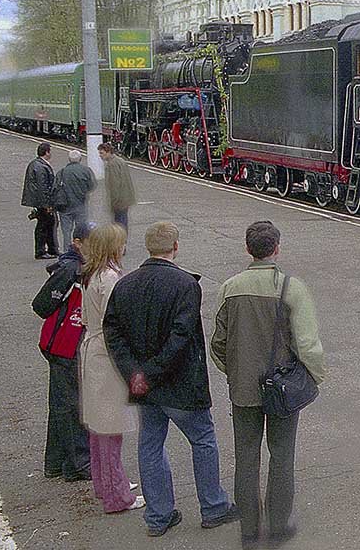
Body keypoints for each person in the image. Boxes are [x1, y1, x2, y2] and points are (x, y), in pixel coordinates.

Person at [102, 221, 238, 537]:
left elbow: (113, 333)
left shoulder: (125, 285)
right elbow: (180, 336)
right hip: (181, 383)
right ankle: (213, 506)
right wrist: (151, 371)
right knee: (202, 440)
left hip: (144, 387)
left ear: (148, 248)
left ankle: (159, 516)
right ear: (175, 247)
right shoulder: (186, 286)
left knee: (150, 445)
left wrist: (135, 373)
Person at [210, 221, 326, 547]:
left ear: (248, 249)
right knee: (282, 456)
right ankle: (277, 528)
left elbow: (219, 343)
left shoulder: (230, 288)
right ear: (277, 248)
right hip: (284, 390)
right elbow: (307, 344)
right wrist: (315, 376)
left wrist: (234, 371)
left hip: (243, 387)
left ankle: (249, 531)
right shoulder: (293, 289)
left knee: (246, 458)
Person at [78, 224, 144, 514]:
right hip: (107, 355)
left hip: (92, 349)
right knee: (112, 425)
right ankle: (117, 494)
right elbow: (117, 320)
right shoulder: (110, 279)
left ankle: (105, 483)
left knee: (99, 426)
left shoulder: (91, 274)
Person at [31, 221, 92, 482]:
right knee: (70, 406)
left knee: (60, 405)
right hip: (65, 345)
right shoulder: (71, 270)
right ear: (77, 243)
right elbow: (42, 304)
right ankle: (77, 462)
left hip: (61, 344)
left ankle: (55, 462)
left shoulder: (74, 268)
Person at [22, 142, 60, 259]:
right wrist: (47, 204)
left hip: (39, 201)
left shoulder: (37, 164)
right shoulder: (40, 167)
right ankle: (41, 251)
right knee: (44, 226)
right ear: (47, 152)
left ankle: (52, 249)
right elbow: (43, 187)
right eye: (50, 151)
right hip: (42, 202)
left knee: (49, 224)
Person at [56, 150, 96, 252]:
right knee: (81, 230)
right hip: (80, 204)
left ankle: (67, 252)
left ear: (69, 159)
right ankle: (81, 251)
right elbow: (93, 185)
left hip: (65, 206)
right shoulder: (86, 170)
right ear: (80, 159)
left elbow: (55, 187)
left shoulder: (62, 172)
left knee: (66, 232)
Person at [99, 143, 136, 232]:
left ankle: (120, 243)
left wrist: (113, 203)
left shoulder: (111, 165)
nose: (100, 156)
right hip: (126, 197)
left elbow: (114, 185)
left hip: (119, 200)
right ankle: (123, 242)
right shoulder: (120, 161)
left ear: (108, 152)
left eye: (101, 153)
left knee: (119, 224)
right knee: (123, 222)